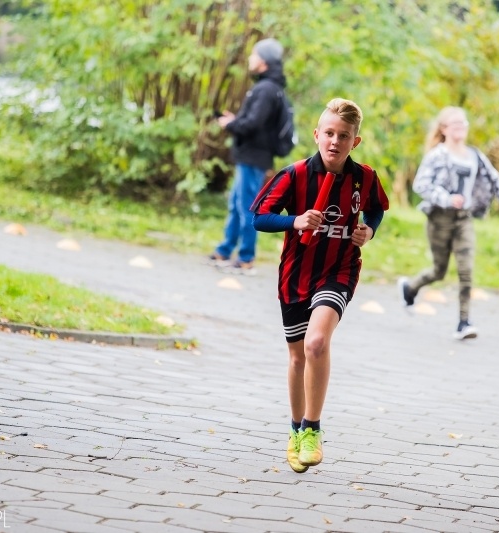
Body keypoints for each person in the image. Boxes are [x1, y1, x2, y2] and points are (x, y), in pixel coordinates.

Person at [251, 98, 389, 473]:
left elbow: (376, 207)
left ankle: (313, 428)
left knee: (316, 342)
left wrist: (369, 229)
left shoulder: (365, 177)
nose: (335, 141)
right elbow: (260, 218)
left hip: (339, 270)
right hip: (295, 276)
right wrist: (294, 221)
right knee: (297, 356)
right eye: (329, 133)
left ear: (354, 142)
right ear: (316, 135)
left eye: (344, 136)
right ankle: (296, 430)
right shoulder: (294, 174)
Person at [397, 106, 499, 339]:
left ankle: (464, 322)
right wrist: (446, 198)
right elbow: (420, 185)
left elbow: (497, 181)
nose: (460, 128)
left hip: (464, 220)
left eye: (463, 123)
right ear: (444, 129)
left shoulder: (475, 156)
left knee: (467, 271)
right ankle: (409, 288)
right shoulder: (437, 155)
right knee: (439, 270)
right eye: (455, 124)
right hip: (439, 219)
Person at [209, 38, 287, 273]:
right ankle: (224, 251)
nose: (250, 59)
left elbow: (253, 125)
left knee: (248, 207)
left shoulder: (266, 90)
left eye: (254, 54)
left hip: (255, 158)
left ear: (263, 60)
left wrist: (230, 124)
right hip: (249, 157)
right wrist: (235, 121)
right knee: (236, 204)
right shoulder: (266, 87)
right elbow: (255, 122)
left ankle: (245, 259)